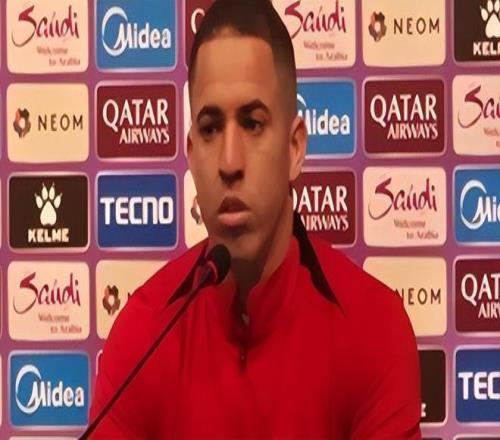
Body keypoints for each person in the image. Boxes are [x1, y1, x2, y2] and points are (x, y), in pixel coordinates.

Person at [89, 0, 422, 438]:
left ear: (295, 148)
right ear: (191, 154)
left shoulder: (373, 329)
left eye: (252, 123)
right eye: (210, 128)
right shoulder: (142, 336)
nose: (229, 162)